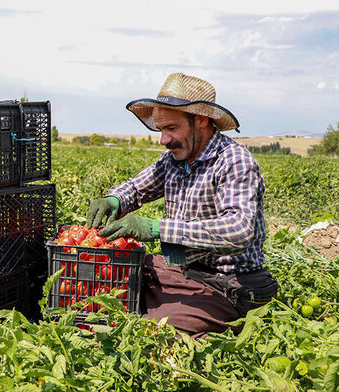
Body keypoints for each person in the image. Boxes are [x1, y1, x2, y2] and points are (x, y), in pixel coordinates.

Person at [86, 72, 279, 338]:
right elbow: (136, 188)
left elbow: (239, 229)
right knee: (116, 273)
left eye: (172, 129)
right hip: (182, 270)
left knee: (156, 332)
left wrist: (156, 228)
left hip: (226, 284)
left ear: (201, 119)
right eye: (161, 129)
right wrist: (115, 199)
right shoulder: (175, 160)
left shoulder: (234, 161)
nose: (164, 140)